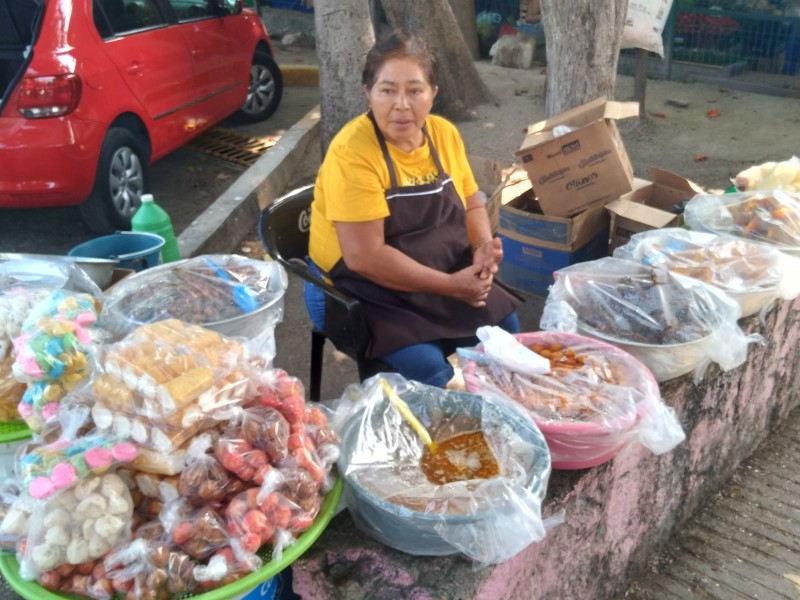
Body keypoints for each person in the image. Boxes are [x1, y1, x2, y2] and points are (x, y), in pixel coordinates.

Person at [305, 29, 523, 388]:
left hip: (432, 268)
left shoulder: (443, 134)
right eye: (387, 90)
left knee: (504, 332)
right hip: (356, 291)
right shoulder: (353, 152)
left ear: (433, 94)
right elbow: (365, 256)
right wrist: (454, 286)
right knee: (429, 370)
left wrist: (482, 246)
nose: (401, 105)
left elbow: (471, 201)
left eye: (415, 90)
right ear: (368, 93)